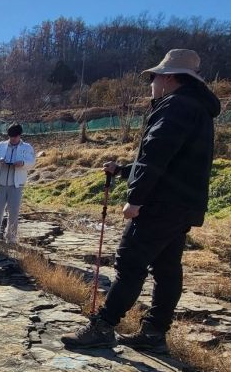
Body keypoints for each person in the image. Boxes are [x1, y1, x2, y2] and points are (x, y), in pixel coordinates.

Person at [61, 49, 221, 352]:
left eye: (154, 76)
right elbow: (171, 159)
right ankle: (154, 334)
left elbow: (157, 155)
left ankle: (104, 326)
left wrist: (135, 199)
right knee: (167, 268)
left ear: (170, 77)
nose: (151, 82)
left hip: (160, 204)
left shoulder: (175, 106)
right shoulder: (197, 108)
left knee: (130, 261)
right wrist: (122, 171)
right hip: (183, 205)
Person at [0, 124, 35, 244]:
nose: (12, 139)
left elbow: (32, 162)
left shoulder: (27, 147)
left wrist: (22, 163)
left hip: (16, 185)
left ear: (19, 135)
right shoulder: (1, 145)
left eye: (15, 136)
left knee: (14, 212)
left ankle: (11, 237)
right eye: (11, 136)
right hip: (1, 184)